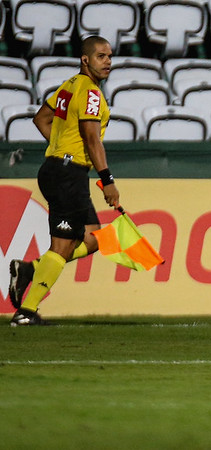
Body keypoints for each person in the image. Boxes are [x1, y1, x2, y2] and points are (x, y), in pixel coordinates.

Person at [8, 36, 118, 326]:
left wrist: (61, 148)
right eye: (101, 56)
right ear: (85, 60)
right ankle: (26, 312)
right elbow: (92, 139)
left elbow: (41, 119)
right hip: (68, 174)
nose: (108, 61)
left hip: (57, 169)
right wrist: (107, 179)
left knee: (94, 238)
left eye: (109, 56)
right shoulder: (91, 93)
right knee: (63, 247)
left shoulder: (69, 87)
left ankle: (30, 270)